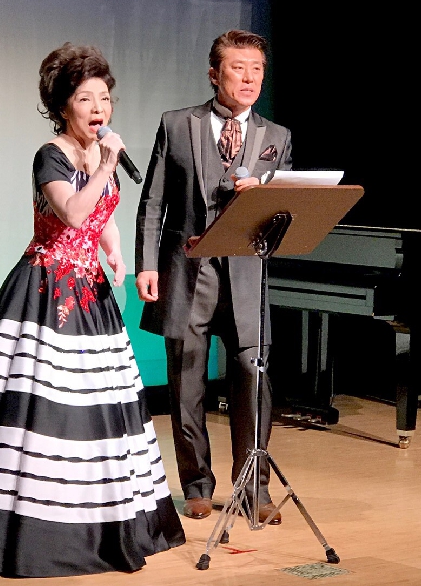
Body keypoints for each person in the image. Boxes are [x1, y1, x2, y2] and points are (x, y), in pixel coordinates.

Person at [0, 42, 185, 578]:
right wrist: (107, 165)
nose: (99, 108)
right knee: (39, 409)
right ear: (63, 106)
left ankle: (99, 520)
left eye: (105, 98)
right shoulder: (49, 155)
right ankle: (26, 527)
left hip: (91, 292)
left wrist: (115, 251)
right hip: (45, 290)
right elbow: (74, 211)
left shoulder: (98, 155)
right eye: (86, 99)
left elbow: (101, 214)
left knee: (97, 407)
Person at [135, 30, 293, 523]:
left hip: (246, 276)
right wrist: (147, 263)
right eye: (238, 68)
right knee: (187, 383)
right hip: (188, 272)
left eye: (257, 69)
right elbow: (153, 200)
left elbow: (284, 216)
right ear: (214, 74)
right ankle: (197, 485)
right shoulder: (177, 123)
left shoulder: (277, 137)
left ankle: (254, 490)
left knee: (252, 377)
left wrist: (264, 196)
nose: (249, 78)